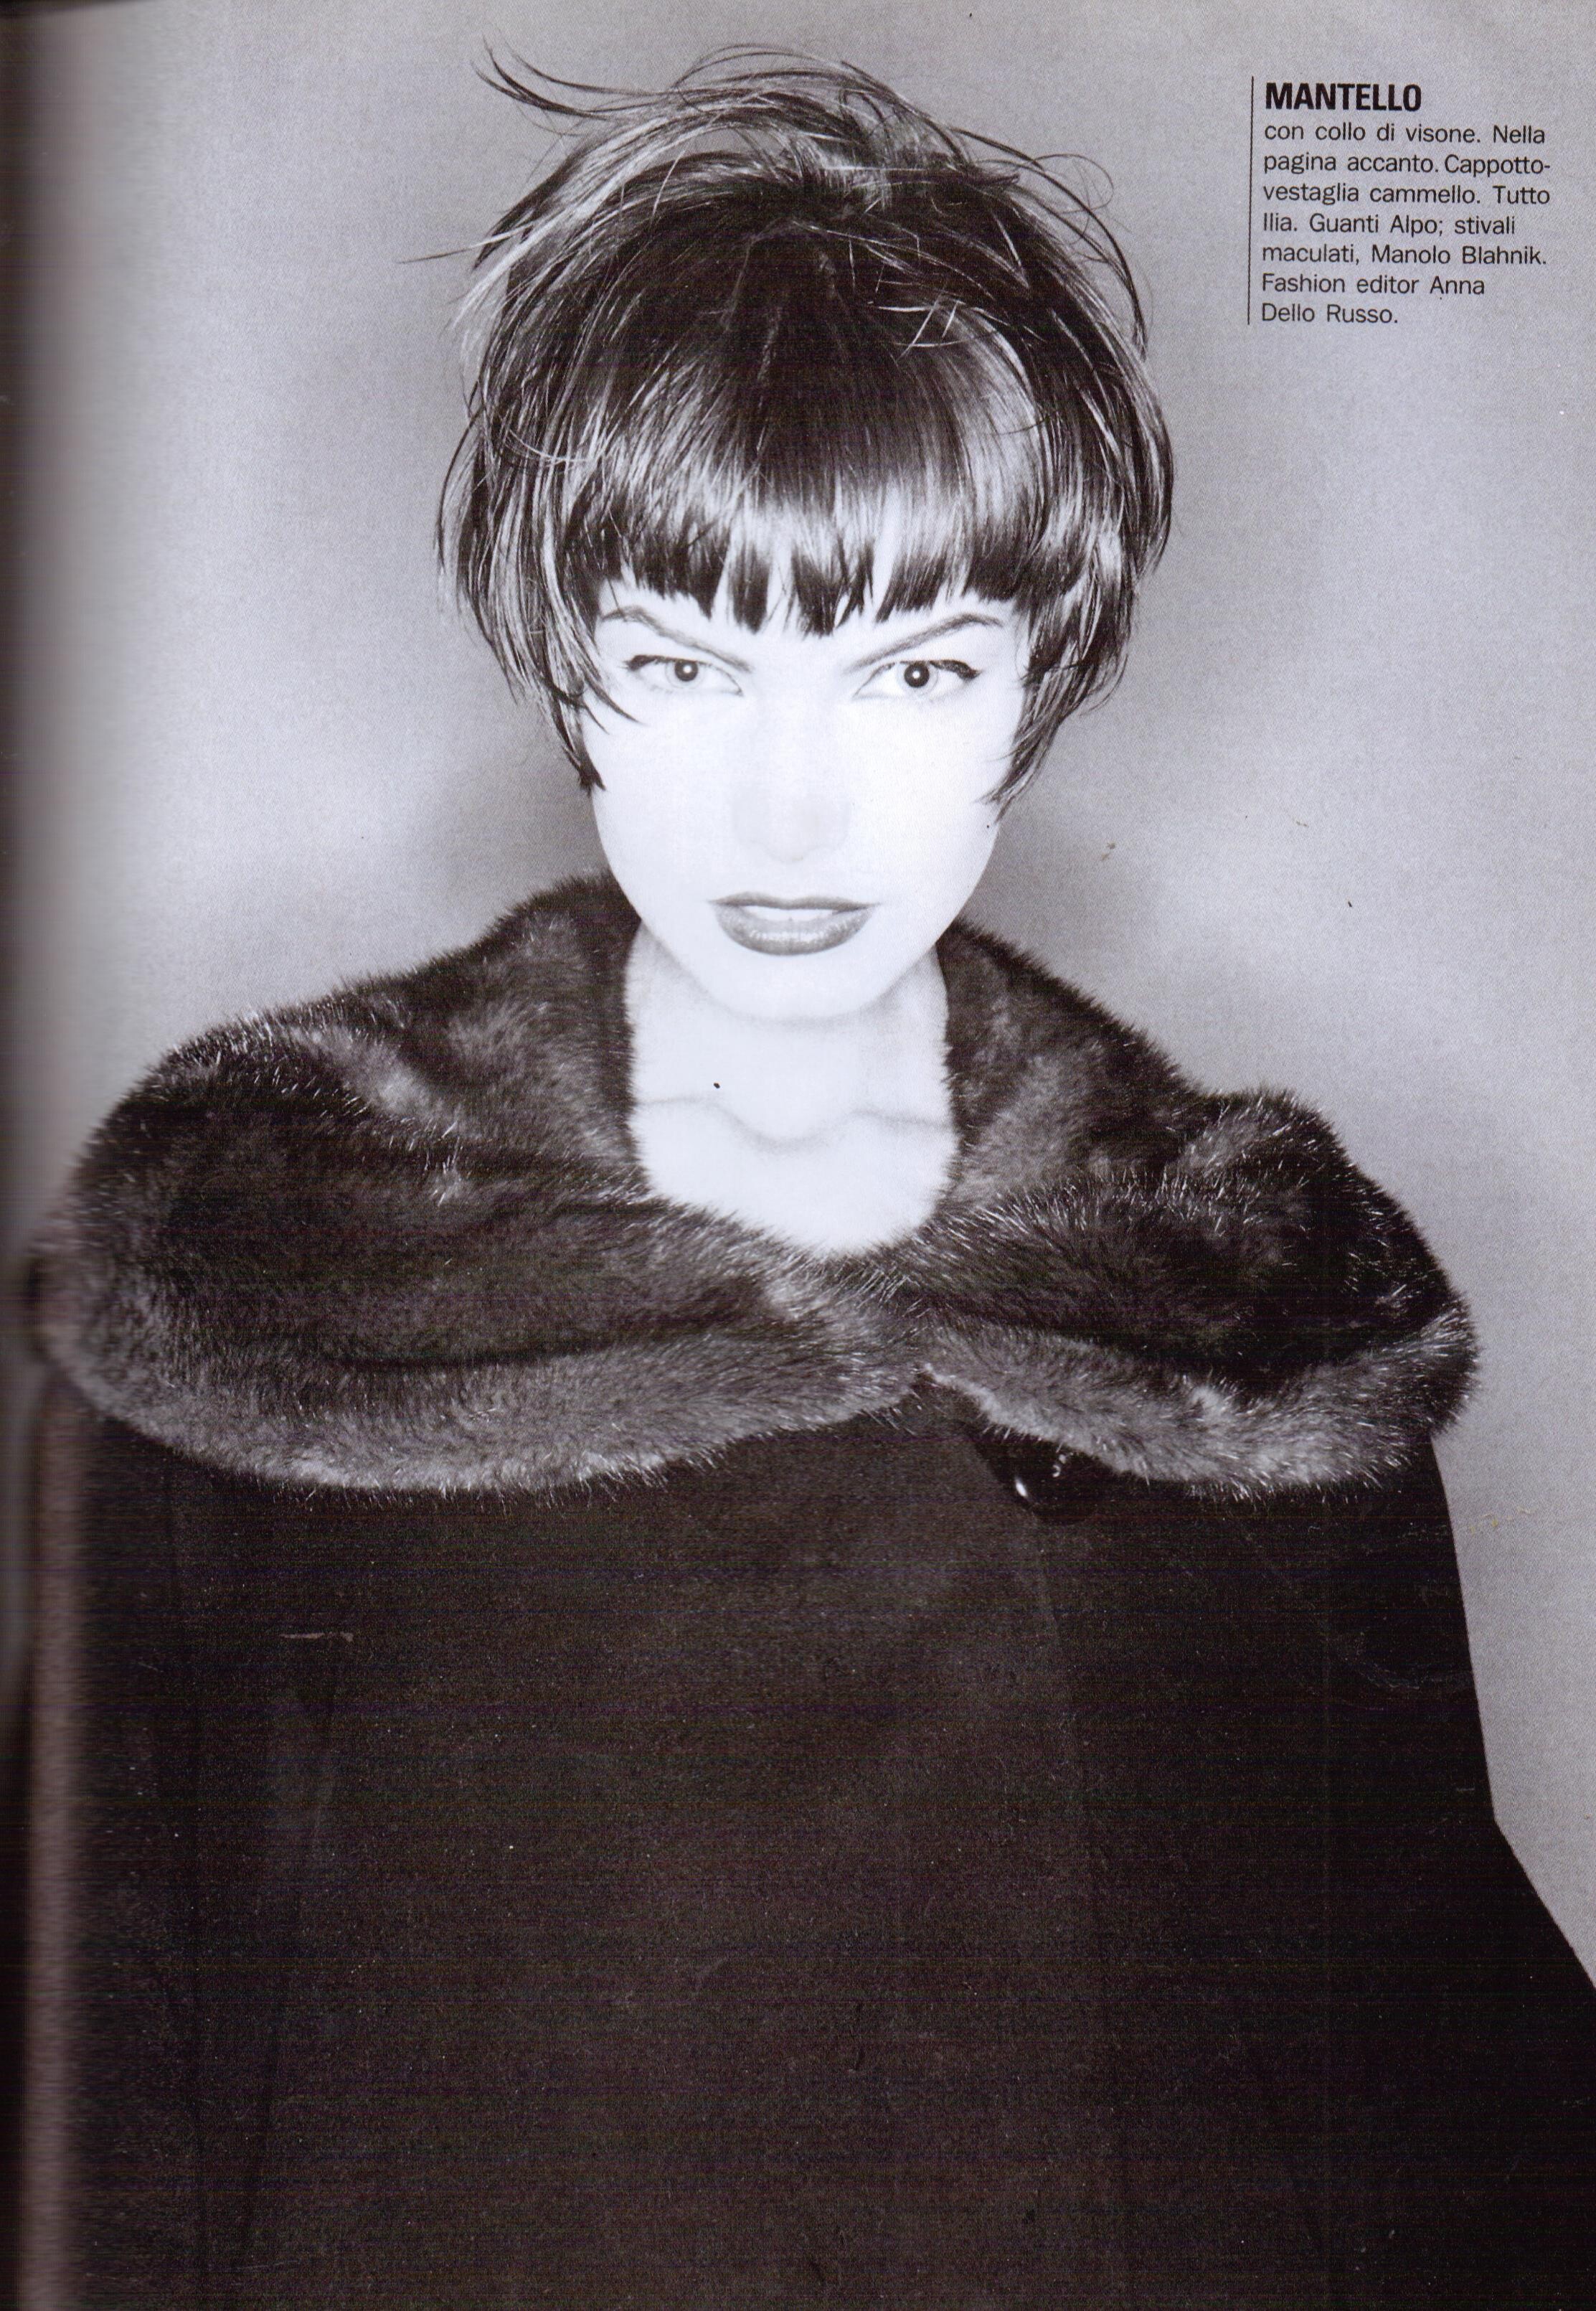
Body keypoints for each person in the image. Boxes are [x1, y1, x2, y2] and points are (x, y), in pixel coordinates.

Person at [24, 54, 1595, 2310]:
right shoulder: (256, 1274)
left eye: (909, 669)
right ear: (565, 664)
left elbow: (1434, 2110)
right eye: (685, 664)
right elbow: (98, 2114)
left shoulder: (1243, 1323)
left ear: (1039, 677)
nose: (788, 805)